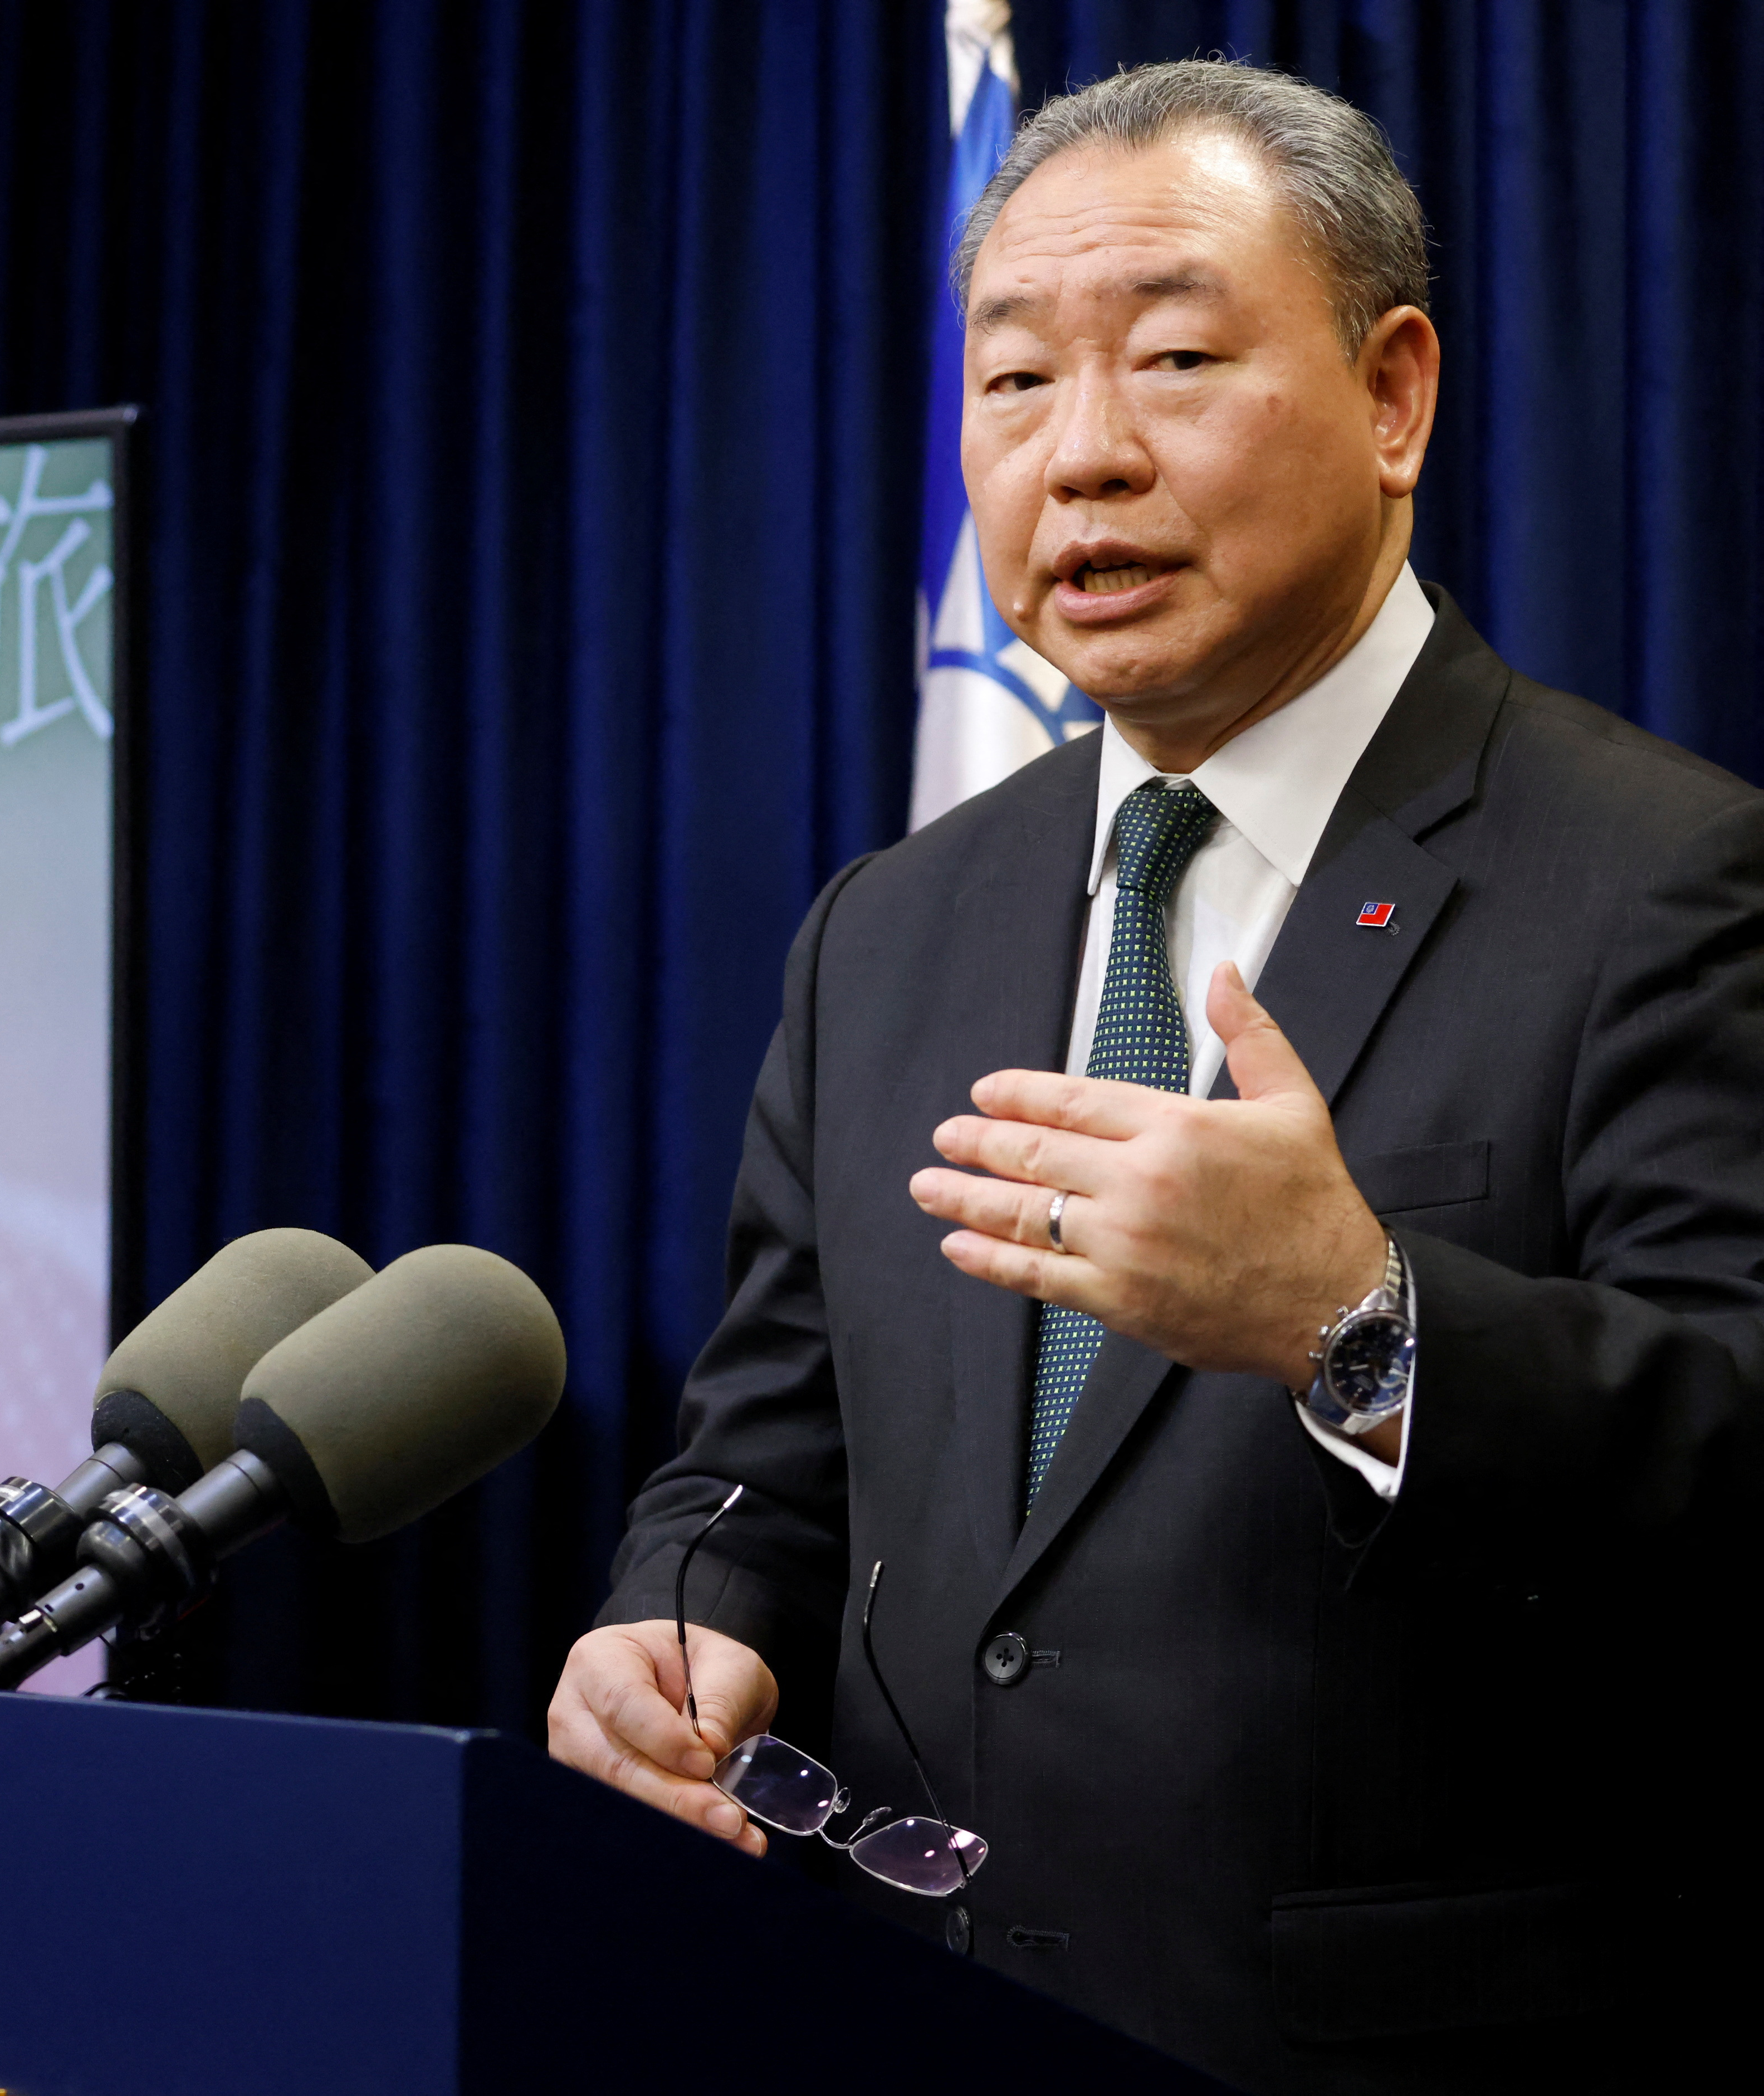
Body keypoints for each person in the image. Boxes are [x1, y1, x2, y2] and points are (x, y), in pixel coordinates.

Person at [546, 59, 1762, 2093]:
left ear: (1395, 397)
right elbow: (757, 1452)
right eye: (1013, 384)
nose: (1080, 458)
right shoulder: (890, 929)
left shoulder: (1663, 875)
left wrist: (1357, 1321)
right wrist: (672, 1619)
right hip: (894, 2011)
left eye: (1176, 359)